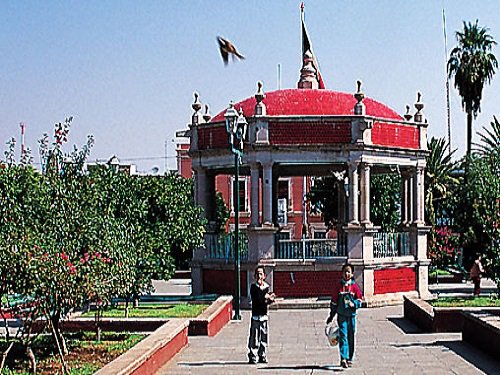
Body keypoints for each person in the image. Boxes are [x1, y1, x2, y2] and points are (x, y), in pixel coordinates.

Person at [326, 263, 363, 369]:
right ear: (342, 273)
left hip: (351, 316)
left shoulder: (354, 287)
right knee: (343, 337)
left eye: (349, 272)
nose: (346, 274)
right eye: (345, 271)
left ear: (352, 274)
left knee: (351, 337)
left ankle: (350, 358)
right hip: (341, 316)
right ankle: (343, 358)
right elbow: (334, 302)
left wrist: (354, 304)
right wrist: (331, 315)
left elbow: (360, 299)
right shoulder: (339, 287)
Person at [248, 265, 275, 364]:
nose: (259, 276)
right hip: (255, 315)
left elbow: (266, 302)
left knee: (264, 336)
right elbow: (257, 299)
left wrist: (270, 300)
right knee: (254, 337)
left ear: (264, 276)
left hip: (264, 315)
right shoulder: (253, 287)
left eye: (261, 274)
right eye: (258, 274)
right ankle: (252, 355)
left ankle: (262, 355)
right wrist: (266, 297)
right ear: (255, 276)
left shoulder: (266, 287)